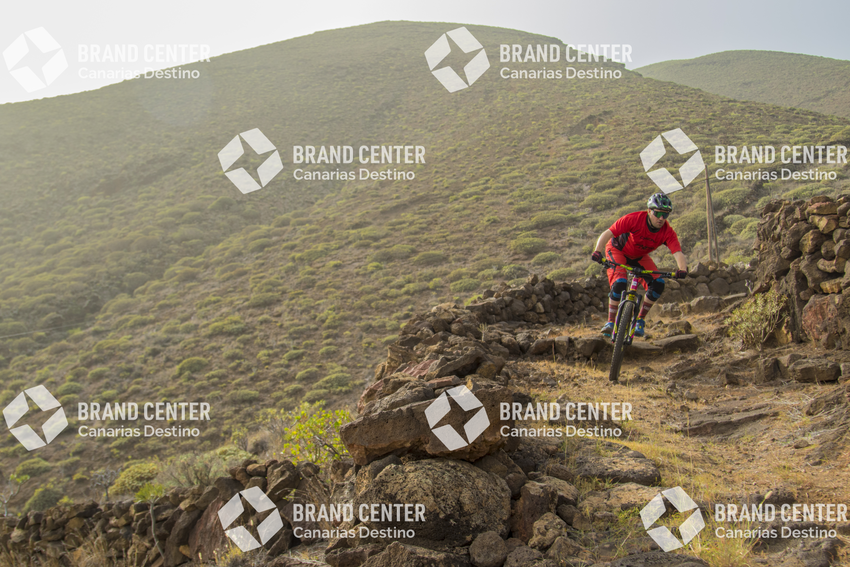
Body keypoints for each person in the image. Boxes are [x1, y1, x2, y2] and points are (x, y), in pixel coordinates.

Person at [590, 192, 688, 338]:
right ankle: (611, 322)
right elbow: (609, 232)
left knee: (658, 284)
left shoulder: (667, 232)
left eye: (665, 215)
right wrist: (597, 251)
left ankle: (640, 320)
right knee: (620, 283)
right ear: (649, 211)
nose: (661, 218)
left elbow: (677, 252)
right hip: (618, 249)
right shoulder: (634, 219)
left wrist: (682, 269)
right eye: (658, 213)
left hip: (638, 256)